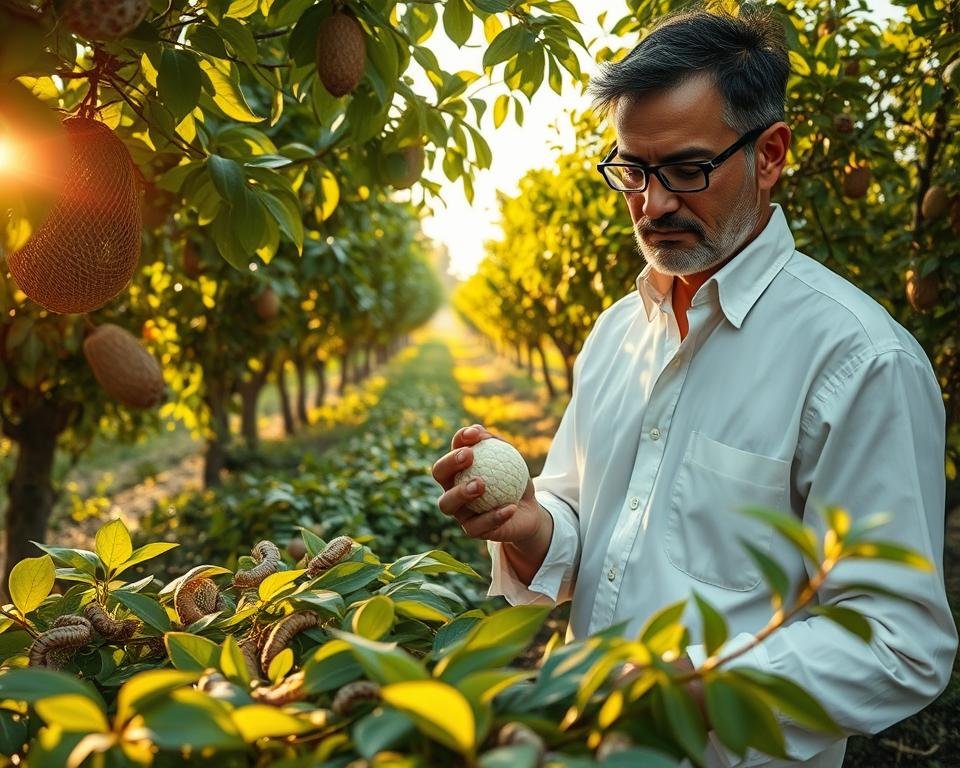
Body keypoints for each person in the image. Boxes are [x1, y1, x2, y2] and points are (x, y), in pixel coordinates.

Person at [432, 8, 957, 768]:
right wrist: (530, 527)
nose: (651, 206)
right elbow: (586, 523)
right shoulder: (617, 332)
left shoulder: (861, 362)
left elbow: (899, 641)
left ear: (769, 154)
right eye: (631, 172)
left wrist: (700, 685)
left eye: (685, 170)